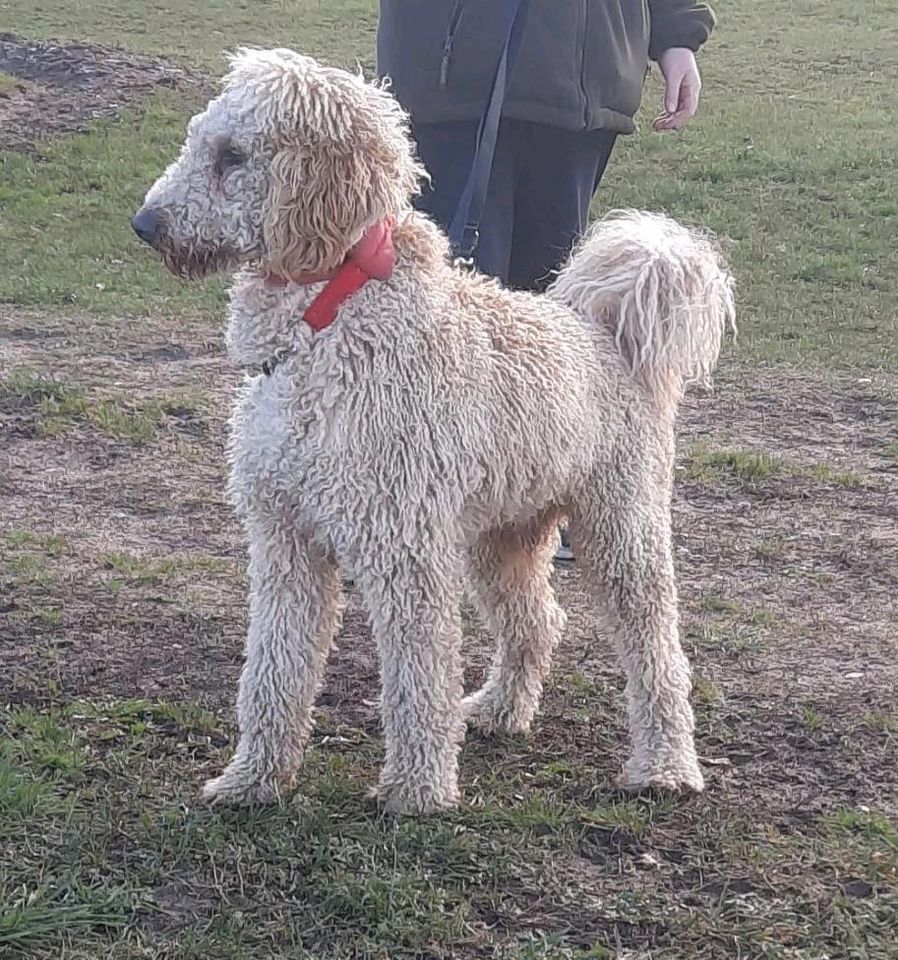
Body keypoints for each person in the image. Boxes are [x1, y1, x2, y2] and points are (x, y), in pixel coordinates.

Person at [377, 1, 716, 559]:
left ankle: (528, 510)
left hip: (585, 75)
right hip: (458, 70)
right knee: (446, 320)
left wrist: (676, 33)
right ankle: (416, 500)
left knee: (548, 318)